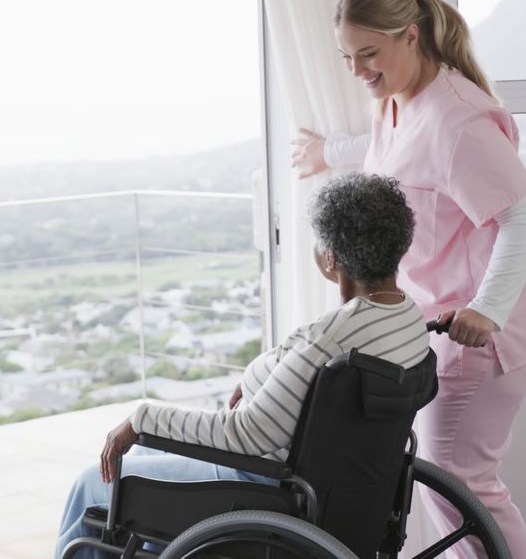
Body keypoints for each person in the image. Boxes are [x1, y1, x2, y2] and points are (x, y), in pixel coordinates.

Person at [290, 0, 526, 557]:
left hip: (483, 330)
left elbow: (523, 214)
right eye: (346, 58)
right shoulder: (400, 97)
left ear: (410, 36)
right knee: (450, 483)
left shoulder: (458, 121)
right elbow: (397, 154)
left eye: (368, 54)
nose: (357, 71)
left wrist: (487, 310)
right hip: (444, 316)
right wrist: (330, 153)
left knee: (463, 486)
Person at [55, 173, 429, 558]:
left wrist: (142, 417)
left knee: (92, 484)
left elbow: (247, 435)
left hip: (261, 484)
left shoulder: (334, 336)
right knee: (143, 459)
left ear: (331, 258)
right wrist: (262, 380)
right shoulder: (408, 320)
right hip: (341, 486)